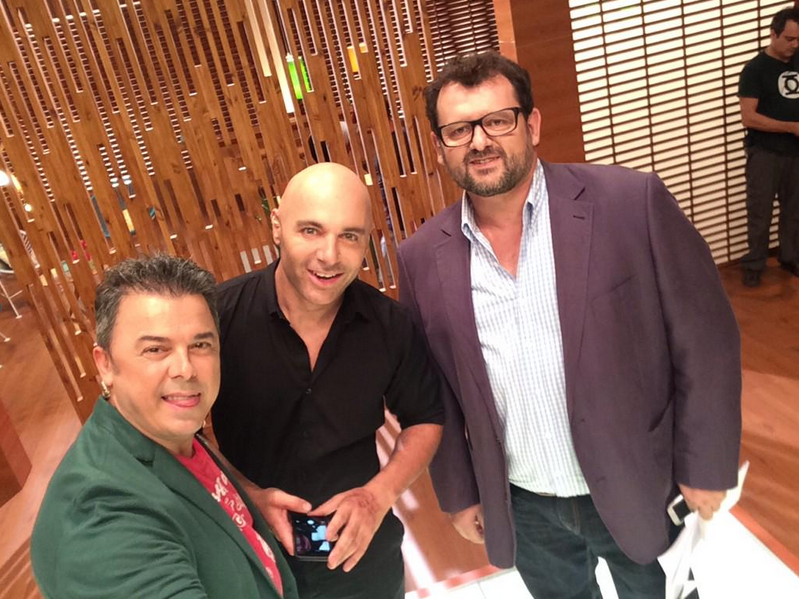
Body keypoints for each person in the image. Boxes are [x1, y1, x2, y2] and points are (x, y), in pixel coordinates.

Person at [397, 51, 742, 599]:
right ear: (441, 145)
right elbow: (433, 389)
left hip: (640, 481)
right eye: (459, 130)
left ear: (532, 124)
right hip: (524, 504)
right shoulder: (420, 257)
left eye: (498, 121)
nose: (479, 141)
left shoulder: (629, 203)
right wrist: (461, 493)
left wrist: (707, 463)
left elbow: (705, 341)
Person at [211, 162, 444, 599]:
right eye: (311, 230)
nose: (330, 255)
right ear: (277, 226)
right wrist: (247, 495)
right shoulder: (219, 317)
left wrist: (377, 496)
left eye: (349, 236)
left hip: (362, 560)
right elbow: (177, 434)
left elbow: (425, 417)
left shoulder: (389, 326)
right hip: (252, 556)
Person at [31, 255, 297, 599]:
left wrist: (249, 497)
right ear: (105, 363)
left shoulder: (164, 431)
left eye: (200, 345)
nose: (185, 369)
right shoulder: (102, 520)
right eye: (156, 349)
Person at [738, 6, 799, 287]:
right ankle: (754, 263)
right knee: (760, 211)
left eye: (798, 39)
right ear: (773, 34)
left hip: (795, 153)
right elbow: (748, 117)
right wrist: (791, 127)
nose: (794, 45)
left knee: (794, 210)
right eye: (789, 39)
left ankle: (790, 257)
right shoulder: (755, 70)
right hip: (764, 153)